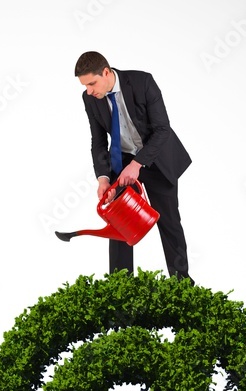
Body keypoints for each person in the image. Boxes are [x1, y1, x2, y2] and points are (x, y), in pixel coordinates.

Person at [74, 51, 193, 281]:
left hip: (156, 157)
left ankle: (182, 284)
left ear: (106, 72)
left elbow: (162, 130)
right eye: (85, 85)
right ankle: (121, 287)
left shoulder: (142, 82)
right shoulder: (89, 98)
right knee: (119, 225)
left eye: (92, 83)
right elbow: (98, 141)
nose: (89, 90)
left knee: (168, 222)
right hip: (122, 160)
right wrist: (103, 178)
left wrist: (138, 163)